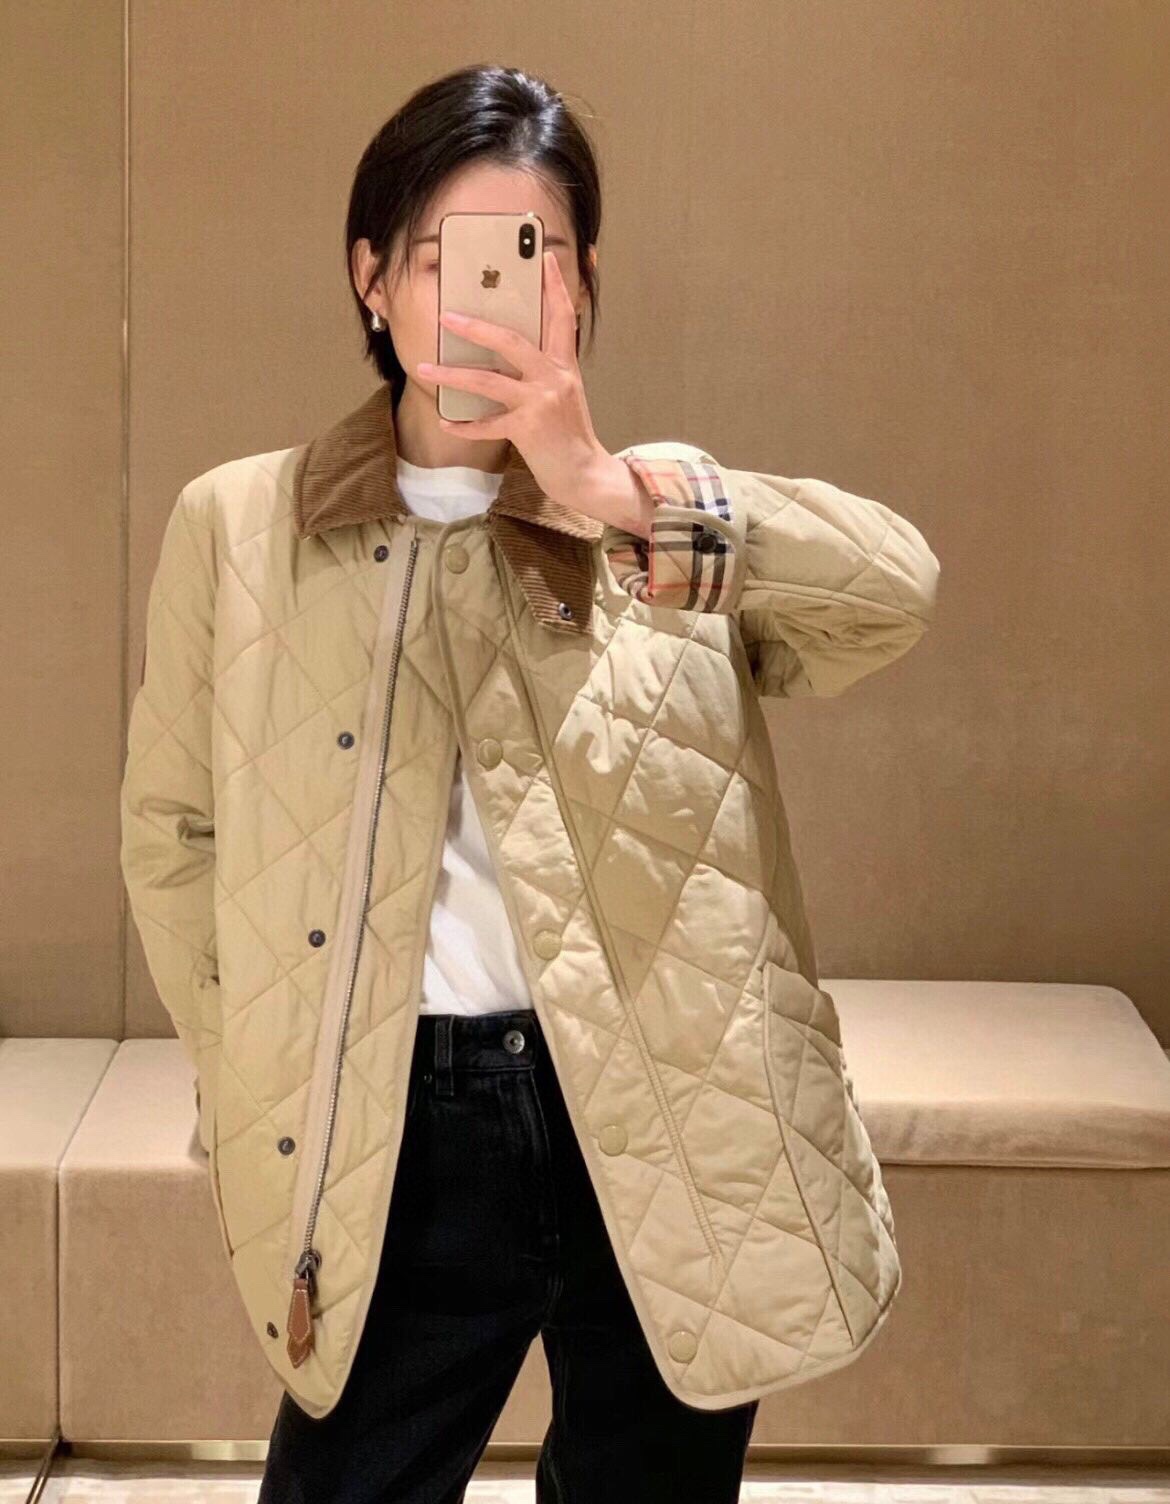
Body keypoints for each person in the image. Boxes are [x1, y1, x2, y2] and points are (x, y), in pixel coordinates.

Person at [121, 62, 939, 1504]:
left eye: (533, 253)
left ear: (582, 286)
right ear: (372, 278)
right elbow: (172, 834)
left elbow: (894, 595)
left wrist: (610, 490)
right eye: (447, 256)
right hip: (399, 1127)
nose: (488, 293)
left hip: (667, 1113)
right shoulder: (240, 526)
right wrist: (258, 1051)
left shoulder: (660, 518)